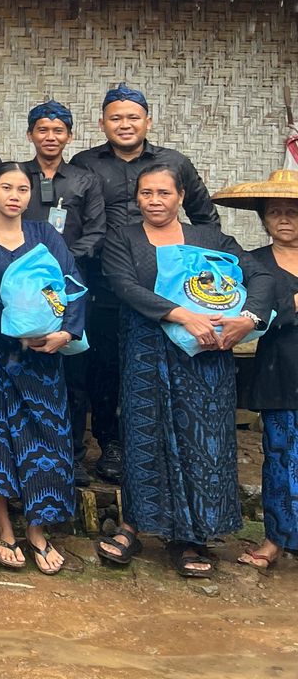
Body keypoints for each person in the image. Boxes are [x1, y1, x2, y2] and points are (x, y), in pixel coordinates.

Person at [95, 162, 271, 578]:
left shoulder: (211, 238)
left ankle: (192, 537)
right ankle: (133, 525)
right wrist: (180, 314)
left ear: (181, 197)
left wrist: (248, 318)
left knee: (202, 442)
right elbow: (124, 285)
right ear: (137, 198)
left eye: (164, 193)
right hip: (147, 353)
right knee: (144, 435)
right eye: (146, 193)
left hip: (206, 356)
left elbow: (260, 275)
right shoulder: (123, 238)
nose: (154, 201)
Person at [72, 84, 219, 484]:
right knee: (105, 364)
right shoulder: (85, 164)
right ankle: (112, 444)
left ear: (148, 121)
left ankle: (163, 444)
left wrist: (195, 272)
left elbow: (206, 219)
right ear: (102, 123)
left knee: (163, 362)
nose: (125, 124)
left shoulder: (174, 162)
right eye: (116, 118)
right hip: (103, 281)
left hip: (167, 284)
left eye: (133, 117)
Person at [0, 163, 85, 575]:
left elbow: (72, 282)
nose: (15, 196)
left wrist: (66, 331)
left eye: (23, 189)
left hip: (44, 355)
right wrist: (14, 332)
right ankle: (4, 527)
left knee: (46, 437)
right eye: (6, 188)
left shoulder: (45, 234)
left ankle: (38, 529)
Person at [213, 170, 298, 570]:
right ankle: (275, 539)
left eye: (293, 212)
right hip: (280, 372)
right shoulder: (254, 264)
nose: (284, 219)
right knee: (281, 458)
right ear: (263, 219)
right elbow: (248, 314)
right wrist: (290, 307)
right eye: (275, 212)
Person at [19, 100, 105, 485]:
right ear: (30, 134)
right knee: (24, 366)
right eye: (42, 129)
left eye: (58, 130)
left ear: (69, 136)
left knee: (73, 372)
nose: (50, 137)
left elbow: (97, 232)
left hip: (71, 286)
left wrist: (62, 262)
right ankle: (26, 451)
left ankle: (71, 455)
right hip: (21, 286)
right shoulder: (16, 175)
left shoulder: (85, 180)